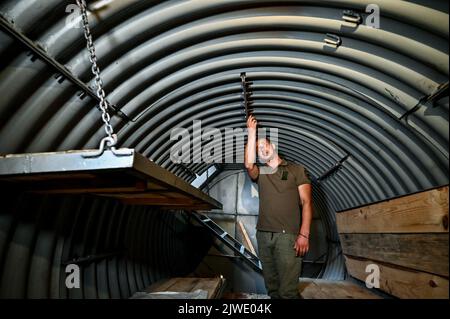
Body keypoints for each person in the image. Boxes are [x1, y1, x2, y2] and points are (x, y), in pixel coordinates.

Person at [244, 115, 313, 299]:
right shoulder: (262, 173)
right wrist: (251, 133)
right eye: (257, 149)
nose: (261, 149)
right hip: (264, 235)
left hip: (288, 237)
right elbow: (248, 164)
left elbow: (306, 202)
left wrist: (304, 235)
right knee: (273, 290)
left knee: (288, 292)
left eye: (264, 144)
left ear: (273, 146)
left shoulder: (296, 170)